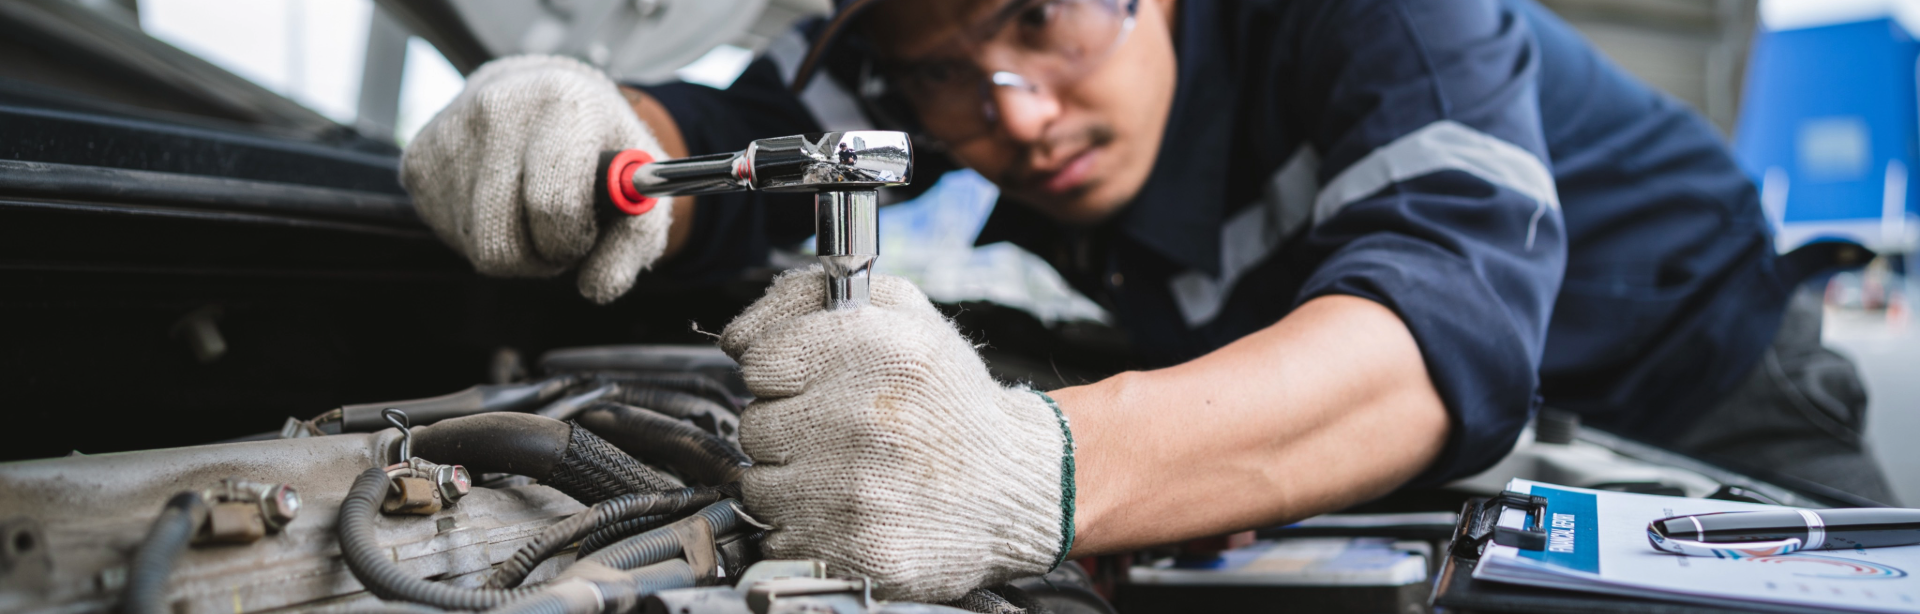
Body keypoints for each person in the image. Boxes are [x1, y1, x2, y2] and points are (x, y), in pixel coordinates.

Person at [399, 0, 1896, 603]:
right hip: (1363, 433)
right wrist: (602, 138)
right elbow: (750, 156)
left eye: (1045, 15)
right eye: (940, 73)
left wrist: (1036, 466)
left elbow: (1444, 327)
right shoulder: (941, 56)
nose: (1011, 107)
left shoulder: (1387, 18)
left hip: (1696, 379)